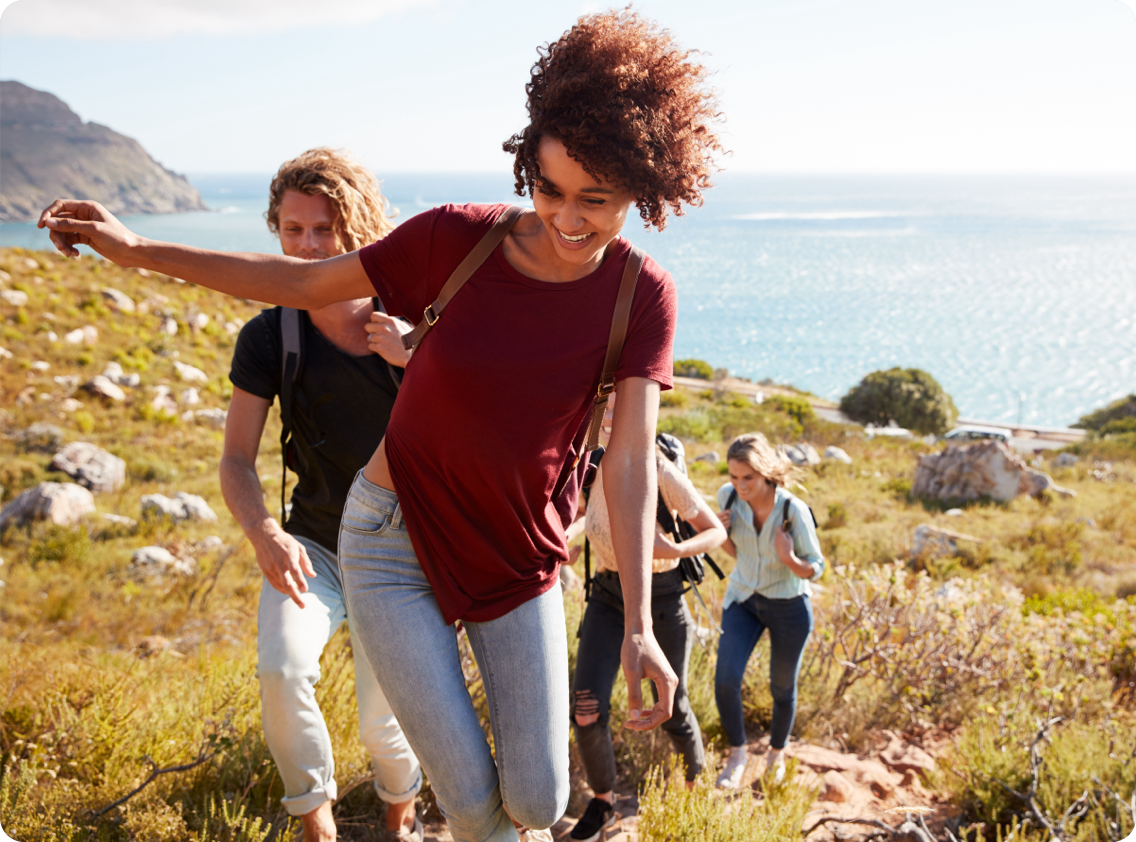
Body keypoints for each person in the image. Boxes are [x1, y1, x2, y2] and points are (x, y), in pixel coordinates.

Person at [38, 10, 723, 841]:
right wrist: (137, 248)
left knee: (539, 802)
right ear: (526, 167)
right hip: (389, 540)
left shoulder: (640, 295)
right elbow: (302, 283)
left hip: (517, 551)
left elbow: (631, 460)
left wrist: (641, 626)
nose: (567, 218)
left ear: (642, 190)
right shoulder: (455, 241)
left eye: (596, 200)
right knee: (470, 802)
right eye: (548, 189)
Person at [219, 149, 423, 842]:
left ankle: (400, 817)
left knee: (383, 721)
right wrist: (265, 534)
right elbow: (236, 460)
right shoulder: (269, 337)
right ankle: (317, 824)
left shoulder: (417, 322)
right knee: (281, 668)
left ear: (360, 229)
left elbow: (484, 425)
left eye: (323, 229)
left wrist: (415, 357)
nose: (307, 247)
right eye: (292, 230)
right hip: (313, 546)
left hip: (404, 554)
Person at [565, 394, 726, 842]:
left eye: (621, 404)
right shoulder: (592, 463)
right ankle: (604, 804)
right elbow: (589, 515)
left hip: (663, 599)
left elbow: (715, 530)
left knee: (672, 707)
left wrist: (676, 549)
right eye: (604, 405)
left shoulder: (658, 468)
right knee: (585, 709)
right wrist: (567, 539)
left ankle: (695, 794)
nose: (609, 415)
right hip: (606, 597)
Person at [713, 433, 825, 789]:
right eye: (734, 476)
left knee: (782, 687)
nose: (740, 485)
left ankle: (776, 756)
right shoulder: (727, 497)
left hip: (788, 605)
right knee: (725, 679)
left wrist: (789, 558)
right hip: (743, 598)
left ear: (765, 473)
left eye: (748, 477)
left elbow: (817, 567)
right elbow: (736, 553)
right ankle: (737, 756)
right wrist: (721, 534)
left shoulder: (793, 510)